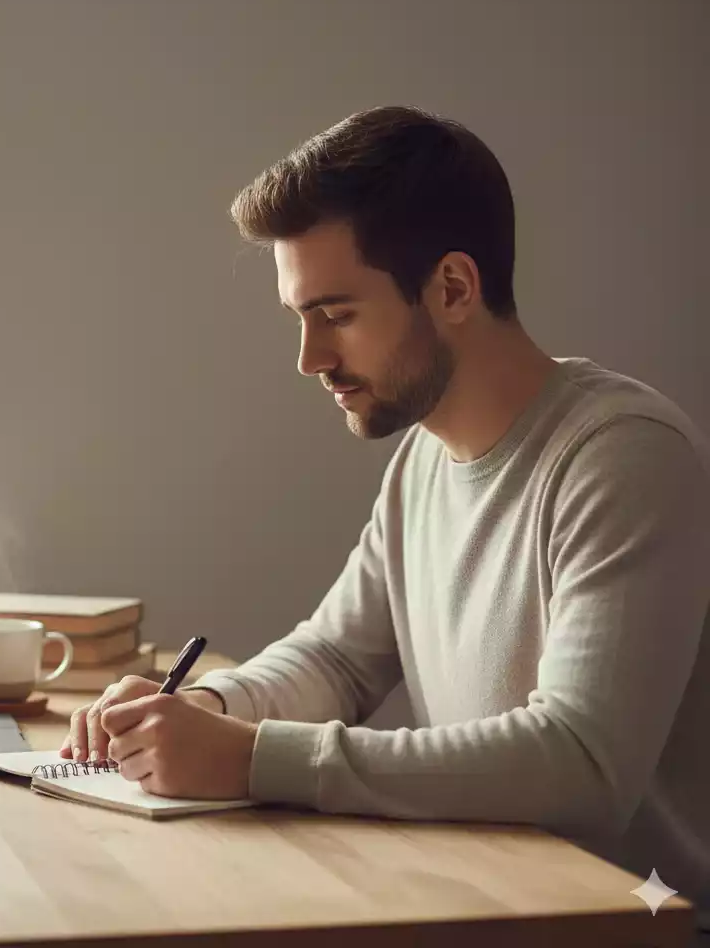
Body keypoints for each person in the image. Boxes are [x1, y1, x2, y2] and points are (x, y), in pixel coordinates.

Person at [61, 106, 710, 919]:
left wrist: (253, 757)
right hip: (492, 904)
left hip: (632, 922)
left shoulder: (623, 454)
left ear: (453, 288)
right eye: (300, 319)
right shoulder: (422, 462)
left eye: (336, 316)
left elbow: (581, 764)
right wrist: (207, 708)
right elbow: (338, 659)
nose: (311, 359)